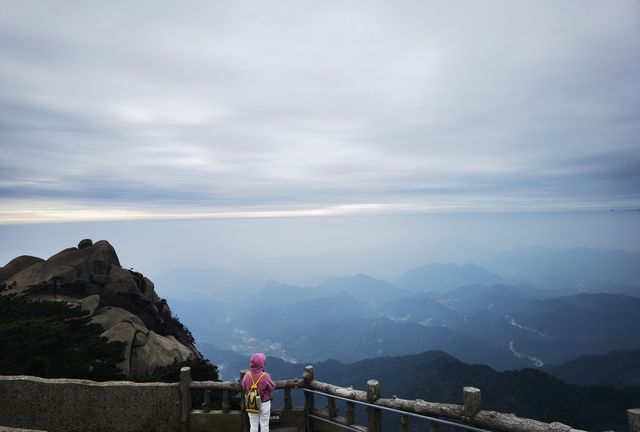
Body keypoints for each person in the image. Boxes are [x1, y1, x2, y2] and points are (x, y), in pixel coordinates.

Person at [242, 352, 276, 432]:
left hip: (252, 403)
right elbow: (272, 387)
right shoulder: (265, 376)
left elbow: (244, 386)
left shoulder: (247, 375)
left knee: (253, 425)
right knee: (264, 425)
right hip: (264, 403)